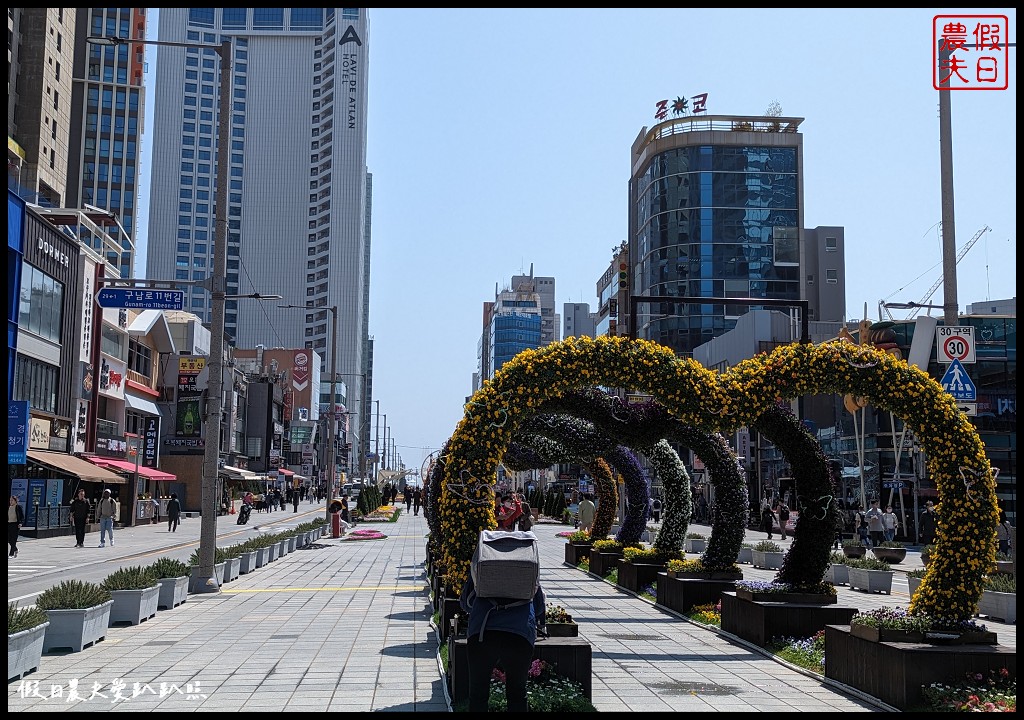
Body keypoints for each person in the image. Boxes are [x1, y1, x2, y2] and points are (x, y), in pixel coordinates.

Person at [459, 563, 545, 712]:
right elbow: (539, 607)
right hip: (520, 633)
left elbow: (466, 603)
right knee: (517, 694)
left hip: (482, 632)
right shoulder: (527, 563)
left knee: (478, 694)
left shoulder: (484, 562)